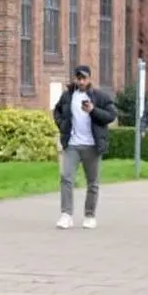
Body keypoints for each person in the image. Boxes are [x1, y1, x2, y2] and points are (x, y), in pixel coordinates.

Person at [52, 65, 118, 230]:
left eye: (84, 78)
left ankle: (89, 215)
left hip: (92, 145)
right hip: (72, 144)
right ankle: (66, 214)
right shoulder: (68, 96)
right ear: (75, 79)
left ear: (89, 79)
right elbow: (57, 111)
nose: (81, 81)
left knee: (93, 182)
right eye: (78, 78)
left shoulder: (100, 96)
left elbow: (111, 115)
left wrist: (93, 110)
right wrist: (62, 125)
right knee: (66, 178)